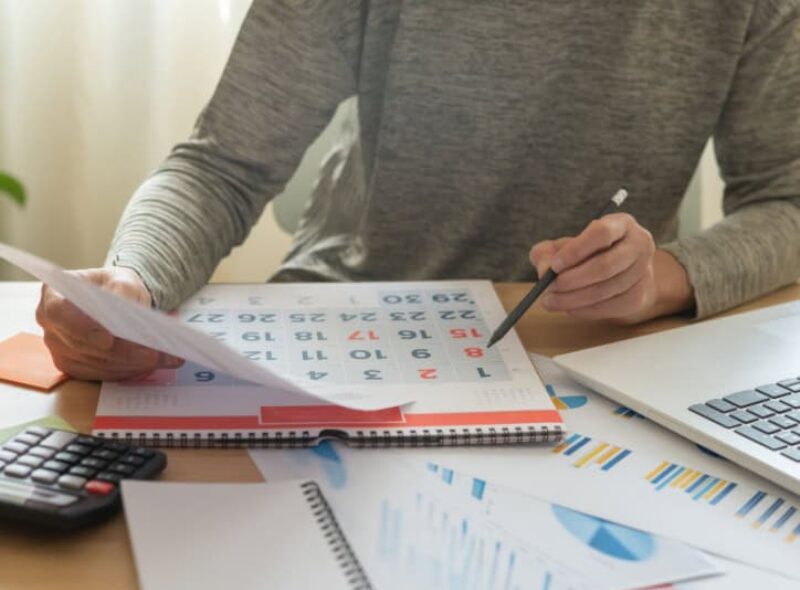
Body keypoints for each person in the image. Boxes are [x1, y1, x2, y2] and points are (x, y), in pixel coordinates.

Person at [37, 0, 800, 381]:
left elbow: (787, 196)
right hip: (346, 328)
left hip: (597, 356)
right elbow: (222, 164)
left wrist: (663, 278)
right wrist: (133, 282)